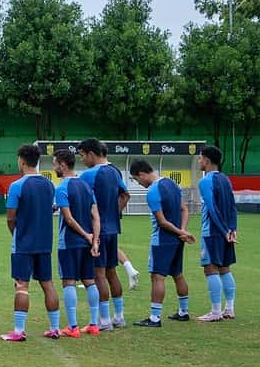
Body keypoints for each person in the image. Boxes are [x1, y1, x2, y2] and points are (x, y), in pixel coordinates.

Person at [1, 144, 61, 342]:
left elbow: (11, 217)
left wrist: (15, 234)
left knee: (21, 285)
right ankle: (54, 328)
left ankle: (19, 331)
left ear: (22, 161)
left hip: (24, 243)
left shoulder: (17, 186)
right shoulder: (48, 184)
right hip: (44, 243)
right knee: (48, 284)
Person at [129, 160, 195, 327]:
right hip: (177, 239)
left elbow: (162, 222)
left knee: (157, 277)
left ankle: (155, 317)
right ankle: (183, 312)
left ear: (142, 174)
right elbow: (184, 209)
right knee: (178, 274)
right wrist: (183, 231)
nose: (139, 183)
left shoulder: (152, 191)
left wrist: (181, 233)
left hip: (163, 239)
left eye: (137, 180)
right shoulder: (172, 184)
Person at [77, 138, 128, 330]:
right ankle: (119, 316)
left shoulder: (89, 175)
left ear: (91, 153)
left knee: (99, 275)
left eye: (82, 155)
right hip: (113, 228)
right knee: (112, 272)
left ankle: (104, 320)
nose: (82, 160)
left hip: (97, 230)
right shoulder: (114, 172)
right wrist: (115, 213)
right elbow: (125, 195)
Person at [52, 148, 101, 338]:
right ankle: (93, 324)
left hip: (70, 242)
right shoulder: (85, 186)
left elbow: (69, 219)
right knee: (90, 281)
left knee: (68, 282)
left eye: (55, 163)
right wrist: (94, 239)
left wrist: (87, 236)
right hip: (87, 243)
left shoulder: (62, 188)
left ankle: (72, 327)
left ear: (63, 165)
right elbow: (95, 215)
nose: (54, 167)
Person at [196, 145, 238, 321]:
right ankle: (229, 309)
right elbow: (232, 207)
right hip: (227, 230)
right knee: (225, 269)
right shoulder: (225, 179)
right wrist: (232, 230)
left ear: (206, 160)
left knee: (210, 268)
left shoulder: (205, 181)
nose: (199, 161)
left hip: (212, 231)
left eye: (200, 158)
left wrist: (222, 230)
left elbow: (212, 208)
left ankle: (215, 312)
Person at [99, 142, 140, 289]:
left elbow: (124, 194)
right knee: (111, 250)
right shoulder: (115, 170)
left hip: (101, 219)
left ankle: (95, 279)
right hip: (112, 219)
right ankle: (130, 269)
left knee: (101, 252)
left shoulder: (102, 171)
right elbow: (125, 195)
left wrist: (113, 212)